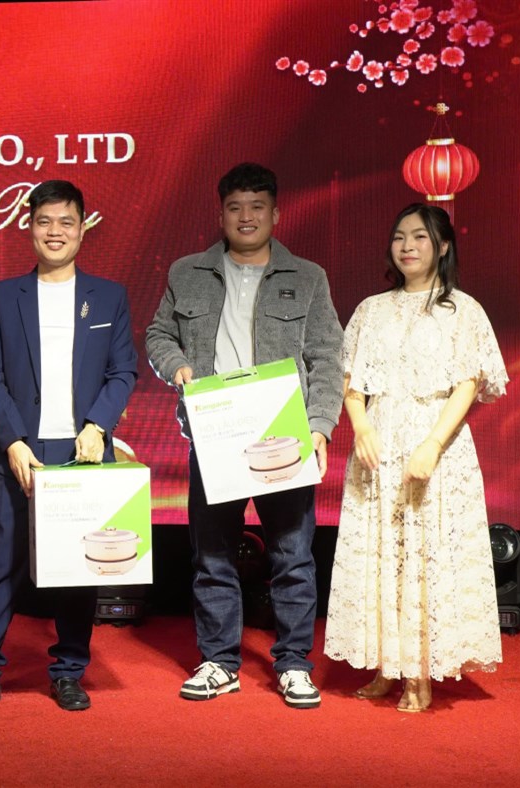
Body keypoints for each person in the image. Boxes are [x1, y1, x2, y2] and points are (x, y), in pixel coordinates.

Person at [146, 163, 343, 708]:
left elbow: (328, 357)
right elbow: (159, 334)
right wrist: (178, 367)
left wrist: (320, 427)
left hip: (284, 434)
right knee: (212, 556)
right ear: (221, 214)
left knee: (292, 556)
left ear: (275, 214)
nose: (246, 216)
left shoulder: (308, 276)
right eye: (235, 207)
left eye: (257, 206)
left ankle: (294, 664)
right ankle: (219, 662)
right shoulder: (187, 272)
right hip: (215, 432)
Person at [0, 180, 138, 713]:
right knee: (1, 563)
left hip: (83, 452)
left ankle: (69, 671)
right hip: (20, 450)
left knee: (78, 568)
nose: (55, 232)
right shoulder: (4, 295)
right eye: (44, 221)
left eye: (66, 222)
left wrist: (98, 425)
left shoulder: (109, 296)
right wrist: (11, 440)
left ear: (83, 229)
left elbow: (123, 371)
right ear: (30, 228)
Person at [324, 203, 508, 713]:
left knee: (427, 556)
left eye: (420, 237)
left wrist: (431, 445)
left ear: (443, 246)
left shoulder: (463, 310)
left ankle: (420, 672)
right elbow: (349, 379)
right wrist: (361, 427)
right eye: (400, 237)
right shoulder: (371, 309)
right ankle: (388, 665)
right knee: (383, 554)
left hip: (437, 446)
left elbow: (468, 384)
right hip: (378, 445)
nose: (407, 246)